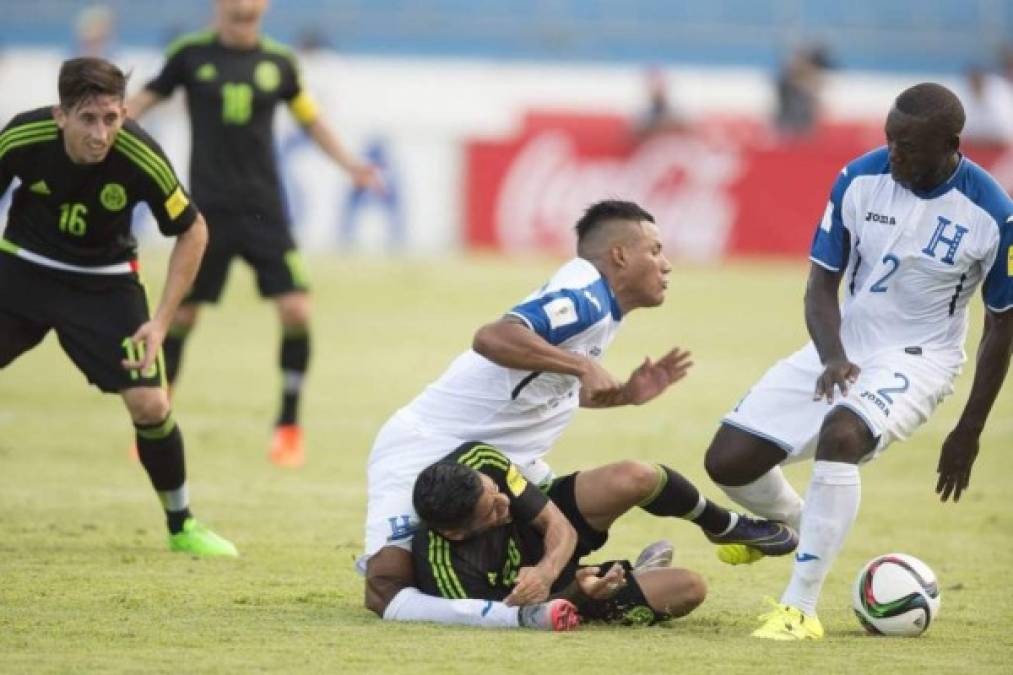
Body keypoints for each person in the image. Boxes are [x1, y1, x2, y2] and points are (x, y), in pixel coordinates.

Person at [362, 199, 798, 626]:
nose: (666, 265)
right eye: (655, 250)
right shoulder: (584, 296)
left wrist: (624, 394)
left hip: (505, 467)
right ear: (620, 255)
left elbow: (542, 387)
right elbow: (492, 337)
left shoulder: (602, 308)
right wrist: (582, 365)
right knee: (387, 585)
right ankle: (546, 603)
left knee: (628, 480)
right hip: (428, 448)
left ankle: (716, 527)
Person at [703, 82, 1013, 640]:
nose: (893, 153)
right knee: (727, 461)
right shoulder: (858, 179)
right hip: (845, 345)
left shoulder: (994, 213)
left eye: (908, 146)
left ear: (951, 144)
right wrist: (833, 356)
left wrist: (969, 430)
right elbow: (820, 286)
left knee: (840, 435)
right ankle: (799, 527)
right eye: (890, 139)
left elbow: (1002, 324)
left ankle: (799, 607)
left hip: (920, 357)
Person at [127, 0, 382, 467]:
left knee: (296, 310)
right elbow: (145, 99)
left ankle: (287, 424)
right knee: (183, 317)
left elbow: (311, 119)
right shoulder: (190, 55)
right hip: (205, 214)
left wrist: (350, 165)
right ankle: (156, 415)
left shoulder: (279, 63)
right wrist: (112, 127)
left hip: (265, 211)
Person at [0, 57, 237, 557]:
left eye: (112, 118)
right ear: (60, 115)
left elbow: (193, 231)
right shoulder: (22, 138)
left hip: (105, 284)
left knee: (152, 403)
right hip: (23, 269)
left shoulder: (140, 156)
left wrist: (160, 321)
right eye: (88, 119)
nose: (101, 133)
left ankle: (181, 525)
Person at [407, 441, 775, 630]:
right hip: (548, 597)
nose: (505, 500)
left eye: (496, 490)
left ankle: (724, 525)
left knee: (634, 475)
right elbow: (516, 620)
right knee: (689, 587)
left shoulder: (477, 459)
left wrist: (545, 570)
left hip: (542, 545)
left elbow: (557, 525)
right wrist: (575, 593)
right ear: (455, 533)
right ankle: (618, 578)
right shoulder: (446, 574)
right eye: (493, 510)